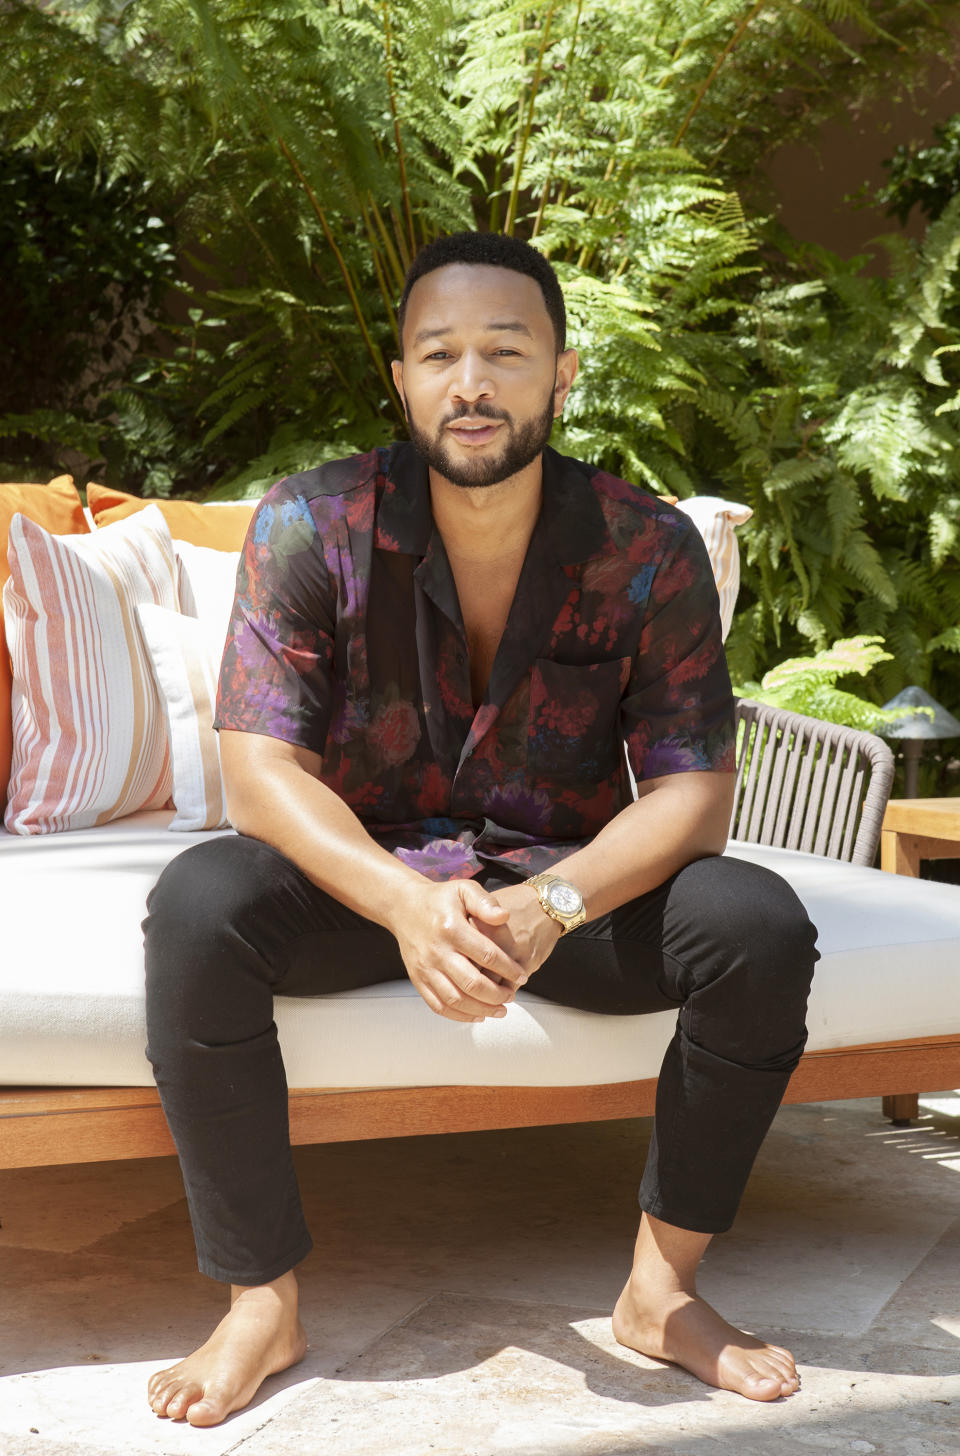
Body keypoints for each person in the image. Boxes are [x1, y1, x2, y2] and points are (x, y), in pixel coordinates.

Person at [143, 230, 818, 1428]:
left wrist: (552, 905)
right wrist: (406, 902)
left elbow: (695, 794)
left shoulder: (646, 546)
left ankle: (662, 1292)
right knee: (199, 906)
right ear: (399, 377)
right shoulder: (312, 522)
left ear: (561, 373)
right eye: (439, 352)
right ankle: (261, 1299)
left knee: (757, 922)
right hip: (370, 886)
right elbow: (256, 773)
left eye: (505, 351)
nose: (471, 382)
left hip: (568, 897)